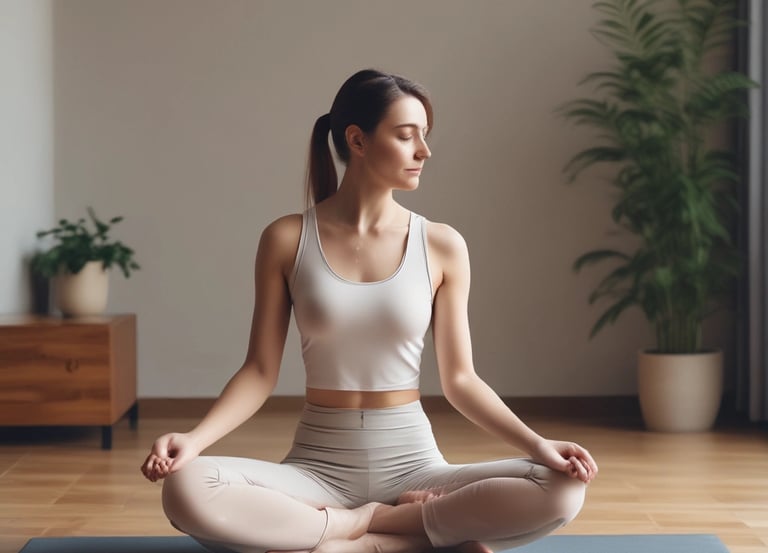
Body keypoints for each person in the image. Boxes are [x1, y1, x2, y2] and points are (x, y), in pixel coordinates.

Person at [140, 68, 598, 553]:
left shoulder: (442, 245)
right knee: (187, 488)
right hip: (315, 472)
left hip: (417, 466)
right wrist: (193, 439)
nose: (424, 151)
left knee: (564, 487)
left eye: (425, 135)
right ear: (357, 140)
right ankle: (392, 534)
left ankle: (357, 533)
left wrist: (537, 446)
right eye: (407, 136)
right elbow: (258, 371)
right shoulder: (286, 239)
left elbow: (461, 380)